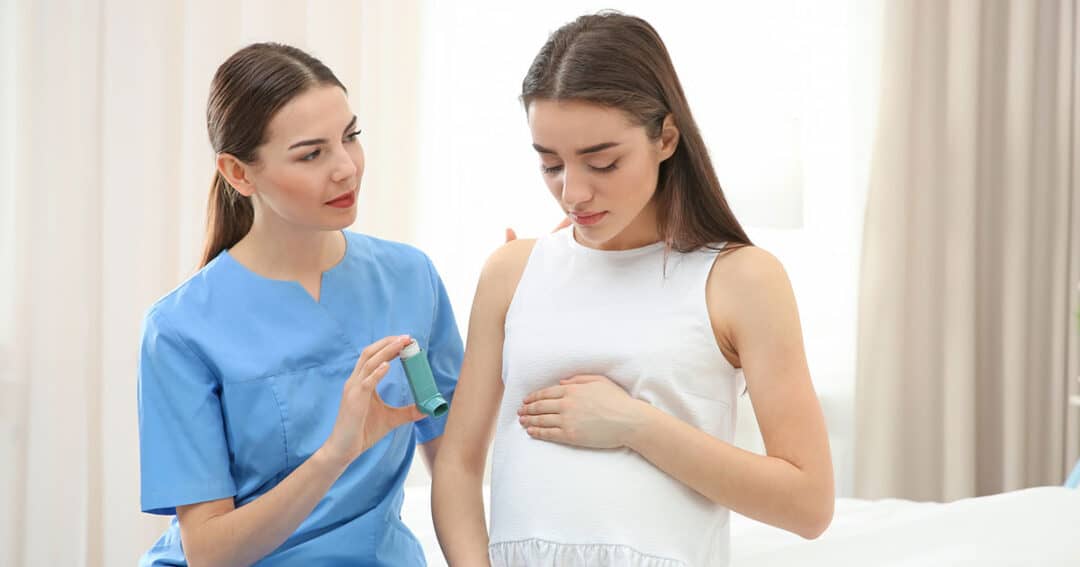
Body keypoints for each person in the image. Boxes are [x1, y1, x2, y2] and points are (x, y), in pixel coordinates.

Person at [433, 12, 834, 567]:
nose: (573, 192)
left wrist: (633, 424)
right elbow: (456, 466)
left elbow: (808, 505)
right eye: (550, 164)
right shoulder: (512, 272)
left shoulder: (741, 279)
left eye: (603, 162)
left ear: (665, 137)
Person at [137, 42, 462, 566]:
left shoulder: (410, 278)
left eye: (350, 137)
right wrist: (336, 454)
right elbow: (209, 553)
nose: (346, 169)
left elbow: (457, 465)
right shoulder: (180, 329)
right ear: (239, 173)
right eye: (312, 154)